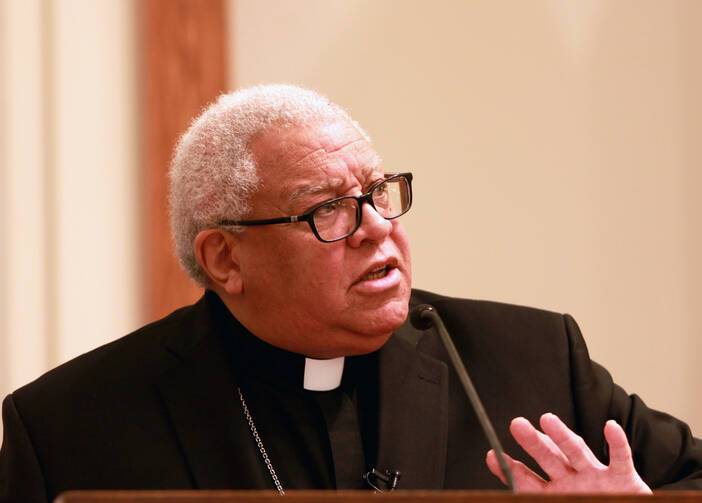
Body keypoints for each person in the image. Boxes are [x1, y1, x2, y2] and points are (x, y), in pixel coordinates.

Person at [1, 84, 701, 502]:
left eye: (377, 192)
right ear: (225, 258)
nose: (375, 229)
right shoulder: (71, 427)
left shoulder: (536, 358)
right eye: (326, 209)